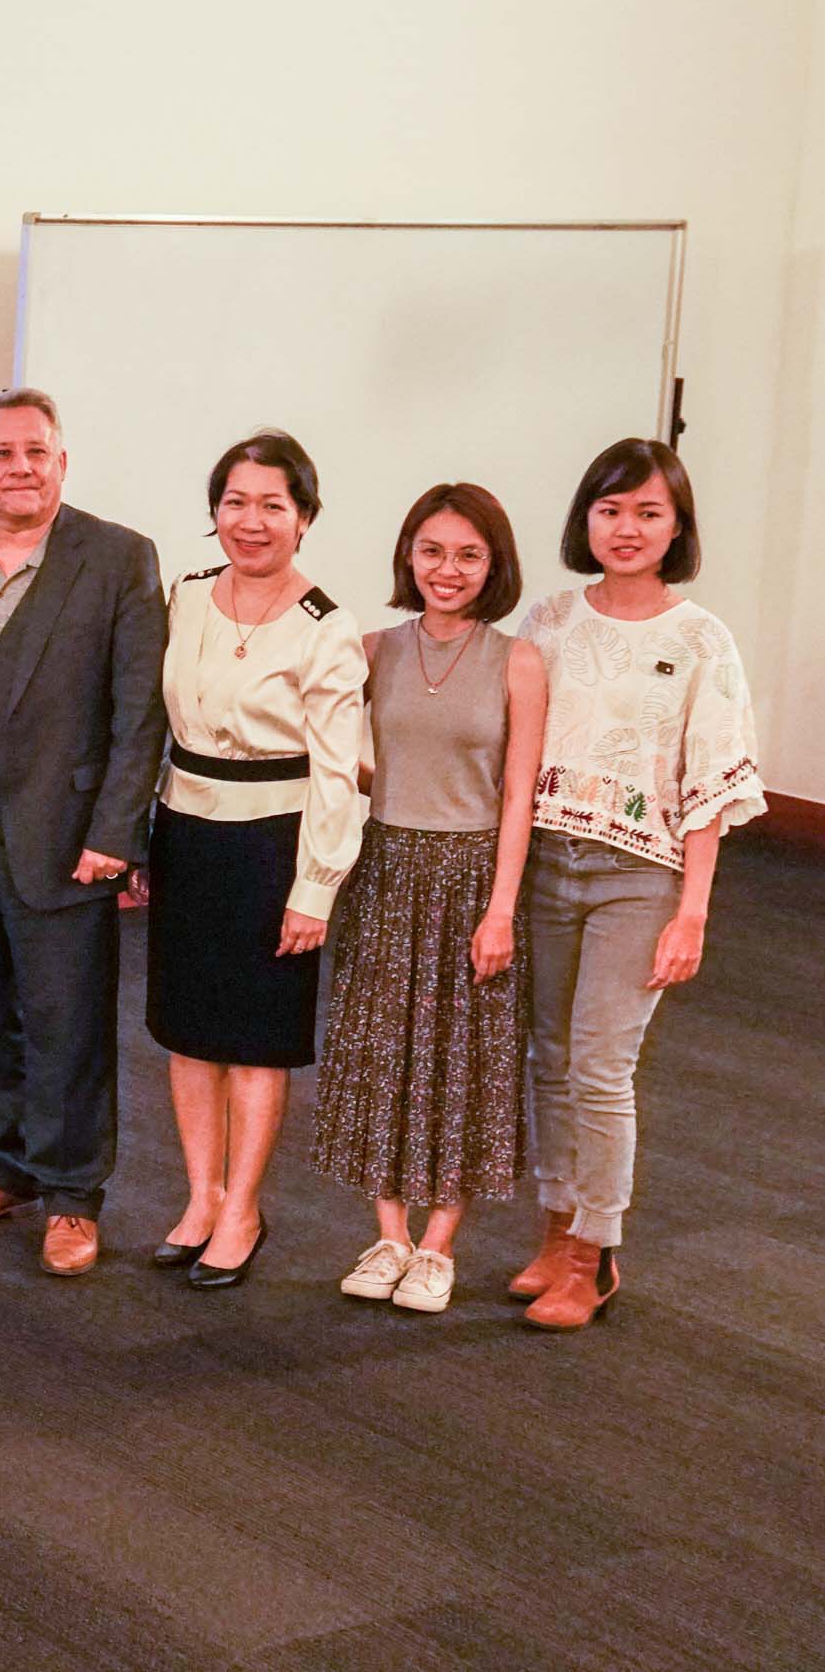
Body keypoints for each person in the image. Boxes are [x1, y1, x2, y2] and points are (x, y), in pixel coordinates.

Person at [0, 390, 165, 1278]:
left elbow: (139, 714)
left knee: (66, 1023)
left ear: (62, 462)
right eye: (2, 454)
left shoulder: (119, 558)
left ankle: (70, 1196)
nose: (20, 468)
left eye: (36, 453)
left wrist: (117, 832)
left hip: (66, 836)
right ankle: (0, 1168)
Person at [510, 439, 762, 1329]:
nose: (626, 528)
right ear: (586, 517)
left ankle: (594, 1252)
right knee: (545, 1060)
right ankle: (554, 1227)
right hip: (544, 864)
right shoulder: (546, 622)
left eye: (648, 513)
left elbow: (710, 787)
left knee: (599, 1066)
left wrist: (690, 912)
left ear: (676, 528)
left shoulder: (699, 639)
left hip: (637, 876)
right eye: (610, 510)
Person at [312, 484, 545, 1315]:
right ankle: (388, 1237)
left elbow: (517, 794)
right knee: (379, 1050)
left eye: (468, 555)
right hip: (385, 865)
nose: (448, 570)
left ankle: (438, 1246)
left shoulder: (515, 659)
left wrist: (500, 908)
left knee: (463, 1059)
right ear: (409, 555)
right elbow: (341, 757)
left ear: (494, 564)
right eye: (433, 551)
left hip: (474, 872)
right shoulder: (374, 647)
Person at [143, 430, 366, 1289]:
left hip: (274, 845)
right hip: (187, 834)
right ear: (214, 512)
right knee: (188, 1031)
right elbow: (153, 727)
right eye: (234, 502)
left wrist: (315, 889)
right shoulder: (187, 597)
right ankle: (199, 1196)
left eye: (272, 504)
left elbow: (337, 773)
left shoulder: (326, 629)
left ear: (303, 518)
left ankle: (242, 1206)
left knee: (255, 1041)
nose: (251, 520)